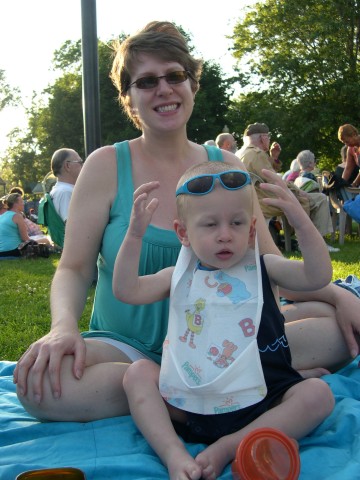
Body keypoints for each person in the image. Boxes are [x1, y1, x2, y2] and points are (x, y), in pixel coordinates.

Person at [13, 21, 360, 424]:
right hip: (129, 348)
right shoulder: (106, 165)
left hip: (229, 343)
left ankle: (187, 394)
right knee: (37, 387)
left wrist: (339, 296)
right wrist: (62, 328)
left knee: (340, 329)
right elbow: (73, 268)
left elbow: (267, 264)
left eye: (175, 75)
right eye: (146, 81)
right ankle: (200, 389)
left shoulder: (226, 166)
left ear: (193, 84)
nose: (164, 89)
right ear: (128, 98)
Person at [114, 161, 334, 480]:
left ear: (252, 229)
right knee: (137, 374)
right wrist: (135, 234)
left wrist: (299, 219)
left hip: (265, 396)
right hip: (194, 398)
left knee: (318, 395)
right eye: (210, 225)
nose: (225, 235)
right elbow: (126, 290)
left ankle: (229, 446)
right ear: (183, 233)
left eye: (236, 223)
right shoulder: (176, 276)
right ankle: (174, 454)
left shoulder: (265, 266)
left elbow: (318, 275)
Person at [237, 123, 339, 253]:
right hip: (266, 201)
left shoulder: (241, 153)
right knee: (317, 199)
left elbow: (264, 175)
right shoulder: (257, 154)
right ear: (262, 138)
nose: (269, 140)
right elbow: (274, 179)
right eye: (268, 137)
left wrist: (274, 157)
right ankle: (314, 244)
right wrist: (298, 190)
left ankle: (305, 241)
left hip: (253, 200)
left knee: (309, 199)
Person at [50, 148, 83, 222]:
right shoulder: (66, 193)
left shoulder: (59, 190)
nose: (83, 165)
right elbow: (73, 225)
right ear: (67, 166)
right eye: (80, 162)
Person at [0, 193, 31, 257]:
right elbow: (25, 239)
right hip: (13, 251)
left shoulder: (2, 216)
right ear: (15, 204)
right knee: (44, 240)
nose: (23, 204)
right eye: (21, 202)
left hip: (1, 252)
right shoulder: (17, 216)